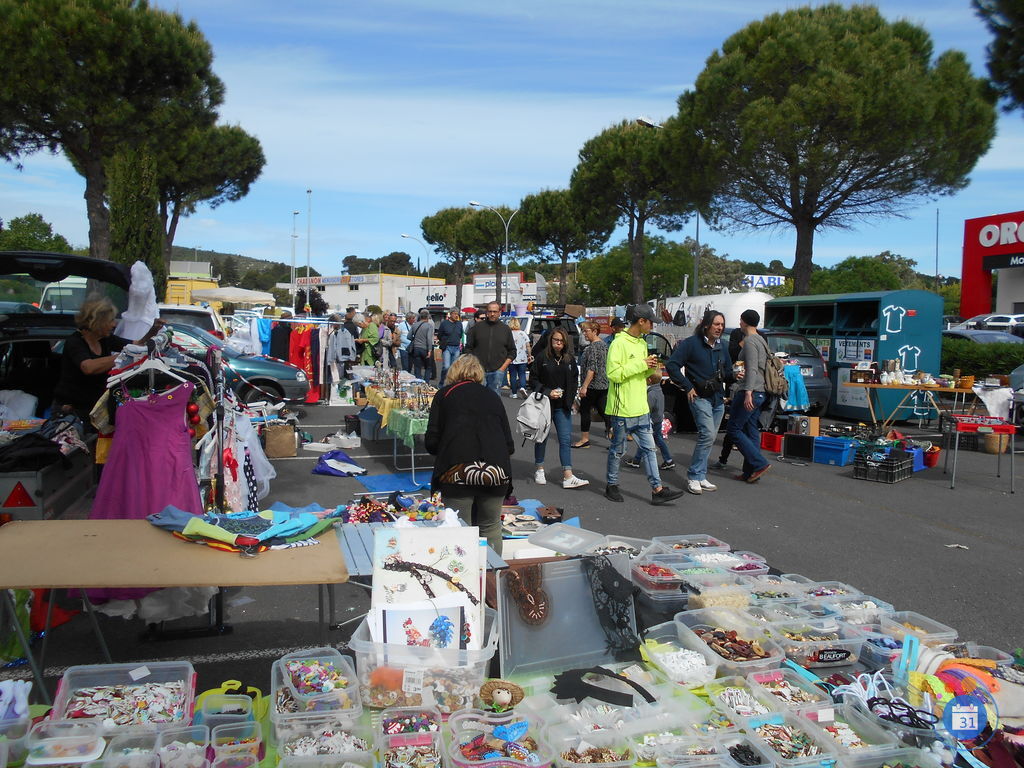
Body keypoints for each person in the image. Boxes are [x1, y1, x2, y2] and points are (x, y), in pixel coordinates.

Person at [425, 354, 513, 554]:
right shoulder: (492, 395)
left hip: (458, 469)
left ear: (454, 372)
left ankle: (460, 578)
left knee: (458, 527)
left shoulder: (444, 394)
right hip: (495, 469)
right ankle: (490, 573)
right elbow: (508, 443)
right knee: (491, 526)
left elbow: (432, 441)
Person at [604, 304, 685, 505]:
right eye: (651, 322)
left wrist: (653, 369)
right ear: (641, 321)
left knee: (650, 449)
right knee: (618, 449)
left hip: (640, 406)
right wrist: (642, 365)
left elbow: (643, 373)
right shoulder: (618, 343)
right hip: (622, 408)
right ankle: (611, 485)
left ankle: (657, 489)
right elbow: (613, 374)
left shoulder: (641, 343)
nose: (652, 326)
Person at [53, 297, 166, 423]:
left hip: (92, 410)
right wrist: (124, 355)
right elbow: (88, 367)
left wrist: (153, 330)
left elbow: (137, 345)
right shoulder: (75, 342)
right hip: (71, 412)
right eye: (110, 320)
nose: (114, 324)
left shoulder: (106, 339)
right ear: (97, 321)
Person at [665, 310, 734, 495]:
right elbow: (672, 365)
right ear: (706, 325)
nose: (720, 328)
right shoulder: (691, 344)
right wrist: (687, 386)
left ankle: (701, 475)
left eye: (722, 324)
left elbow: (727, 371)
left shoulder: (723, 346)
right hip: (699, 397)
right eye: (716, 324)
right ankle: (694, 476)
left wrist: (734, 374)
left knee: (710, 438)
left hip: (718, 398)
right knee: (707, 434)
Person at [529, 327, 588, 489]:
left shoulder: (569, 359)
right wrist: (548, 392)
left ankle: (568, 475)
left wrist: (572, 399)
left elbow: (575, 378)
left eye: (562, 341)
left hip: (563, 406)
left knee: (565, 439)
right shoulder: (542, 357)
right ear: (550, 340)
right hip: (544, 405)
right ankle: (539, 468)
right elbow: (533, 380)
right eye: (556, 340)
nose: (559, 344)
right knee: (542, 438)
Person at [729, 309, 772, 483]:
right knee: (750, 429)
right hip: (761, 391)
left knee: (734, 429)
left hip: (751, 390)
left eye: (740, 320)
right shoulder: (762, 340)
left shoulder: (751, 341)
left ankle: (760, 463)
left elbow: (752, 368)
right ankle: (750, 471)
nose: (739, 323)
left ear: (744, 322)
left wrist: (748, 392)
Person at [715, 327, 747, 469]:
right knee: (737, 425)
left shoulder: (755, 340)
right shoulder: (738, 338)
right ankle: (725, 459)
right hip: (738, 387)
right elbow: (731, 360)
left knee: (734, 426)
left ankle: (753, 462)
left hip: (742, 389)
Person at [465, 302, 515, 393]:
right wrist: (472, 365)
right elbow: (468, 348)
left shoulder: (505, 329)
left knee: (494, 401)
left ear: (500, 312)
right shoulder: (477, 328)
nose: (492, 314)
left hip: (497, 371)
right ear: (487, 312)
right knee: (476, 398)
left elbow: (512, 351)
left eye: (495, 311)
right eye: (490, 311)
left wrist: (502, 369)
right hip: (478, 371)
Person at [624, 381, 675, 470]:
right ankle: (668, 460)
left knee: (644, 440)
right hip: (657, 419)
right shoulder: (659, 390)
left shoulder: (651, 394)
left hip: (651, 421)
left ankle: (636, 460)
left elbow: (647, 409)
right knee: (658, 440)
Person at [574, 321, 609, 446]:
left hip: (593, 385)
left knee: (585, 410)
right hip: (604, 383)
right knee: (604, 411)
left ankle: (584, 439)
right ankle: (615, 437)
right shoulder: (604, 345)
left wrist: (584, 387)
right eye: (583, 331)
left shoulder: (593, 347)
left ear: (594, 331)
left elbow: (591, 368)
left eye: (586, 331)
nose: (584, 334)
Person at [437, 309, 464, 386]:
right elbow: (439, 335)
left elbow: (460, 334)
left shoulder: (459, 324)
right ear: (450, 314)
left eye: (457, 314)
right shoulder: (444, 323)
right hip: (447, 347)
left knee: (454, 368)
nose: (456, 316)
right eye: (455, 314)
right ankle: (442, 383)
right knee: (446, 367)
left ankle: (451, 384)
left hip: (456, 347)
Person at [409, 309, 436, 381]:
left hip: (416, 348)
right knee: (428, 367)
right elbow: (429, 339)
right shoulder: (429, 326)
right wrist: (430, 350)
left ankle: (419, 382)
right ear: (427, 317)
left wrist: (415, 339)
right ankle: (426, 383)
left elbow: (408, 336)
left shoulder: (415, 325)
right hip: (425, 348)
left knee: (417, 367)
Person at [507, 318, 530, 398]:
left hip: (511, 358)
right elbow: (528, 346)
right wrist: (529, 355)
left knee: (513, 375)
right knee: (522, 374)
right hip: (523, 358)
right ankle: (523, 387)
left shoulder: (508, 334)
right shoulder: (523, 333)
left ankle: (514, 393)